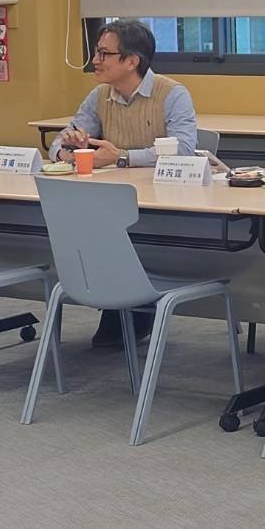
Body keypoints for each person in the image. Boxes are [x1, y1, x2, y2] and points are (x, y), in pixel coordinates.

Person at [49, 19, 197, 347]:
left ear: (132, 61)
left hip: (163, 205)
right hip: (114, 202)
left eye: (104, 54)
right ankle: (119, 303)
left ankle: (134, 307)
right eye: (96, 52)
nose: (95, 61)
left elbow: (185, 150)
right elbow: (57, 143)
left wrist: (122, 158)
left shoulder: (172, 94)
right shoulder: (99, 95)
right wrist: (69, 151)